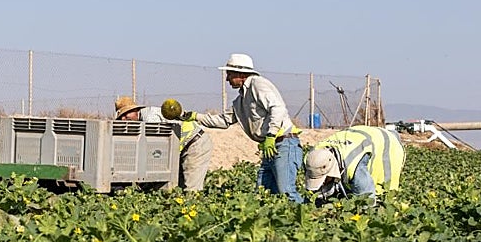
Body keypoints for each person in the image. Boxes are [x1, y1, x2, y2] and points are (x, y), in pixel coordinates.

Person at [180, 53, 304, 202]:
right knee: (264, 193)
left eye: (229, 74)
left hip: (284, 144)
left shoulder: (258, 84)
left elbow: (278, 108)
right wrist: (195, 116)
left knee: (287, 193)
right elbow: (224, 120)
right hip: (270, 147)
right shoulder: (241, 100)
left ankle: (305, 219)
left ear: (240, 73)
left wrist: (271, 135)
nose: (227, 79)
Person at [115, 96, 213, 191]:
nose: (124, 119)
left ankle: (194, 205)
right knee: (179, 187)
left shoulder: (150, 118)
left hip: (194, 144)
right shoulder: (141, 121)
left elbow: (157, 149)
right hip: (183, 148)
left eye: (126, 114)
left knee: (191, 188)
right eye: (121, 117)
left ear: (135, 110)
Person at [304, 125, 405, 204]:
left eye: (324, 179)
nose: (322, 183)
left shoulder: (355, 167)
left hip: (386, 143)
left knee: (384, 192)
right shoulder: (313, 158)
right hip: (360, 136)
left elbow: (367, 199)